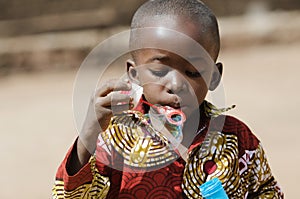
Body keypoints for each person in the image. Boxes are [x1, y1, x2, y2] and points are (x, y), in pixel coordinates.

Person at [52, 0, 284, 198]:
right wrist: (89, 133)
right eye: (160, 72)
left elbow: (267, 191)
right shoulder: (115, 137)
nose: (175, 85)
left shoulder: (236, 139)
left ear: (214, 77)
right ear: (135, 74)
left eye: (193, 72)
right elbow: (69, 195)